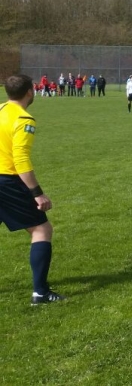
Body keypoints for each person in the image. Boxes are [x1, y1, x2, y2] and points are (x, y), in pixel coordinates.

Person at [0, 74, 65, 305]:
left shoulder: (0, 109)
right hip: (7, 181)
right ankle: (40, 293)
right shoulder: (24, 119)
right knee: (41, 229)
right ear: (30, 91)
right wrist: (37, 193)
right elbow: (20, 159)